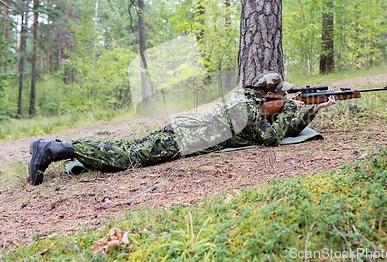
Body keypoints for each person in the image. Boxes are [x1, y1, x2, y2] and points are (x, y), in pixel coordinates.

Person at [28, 71, 337, 185]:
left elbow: (270, 125)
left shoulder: (247, 99)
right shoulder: (246, 108)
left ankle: (58, 146)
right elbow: (269, 137)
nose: (285, 99)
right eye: (282, 95)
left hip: (183, 131)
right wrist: (304, 111)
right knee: (128, 158)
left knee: (128, 149)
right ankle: (55, 149)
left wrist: (308, 108)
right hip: (183, 138)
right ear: (268, 94)